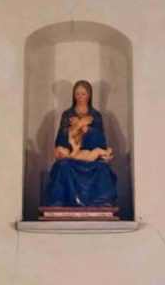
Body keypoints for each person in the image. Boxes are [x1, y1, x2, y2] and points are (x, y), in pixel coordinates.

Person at [44, 80, 118, 208]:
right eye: (77, 94)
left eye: (83, 94)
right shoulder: (67, 115)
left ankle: (102, 201)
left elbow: (101, 139)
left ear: (89, 95)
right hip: (73, 155)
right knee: (63, 166)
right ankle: (59, 200)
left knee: (102, 168)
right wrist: (72, 129)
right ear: (73, 95)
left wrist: (86, 130)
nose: (80, 97)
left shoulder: (96, 115)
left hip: (90, 156)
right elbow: (61, 138)